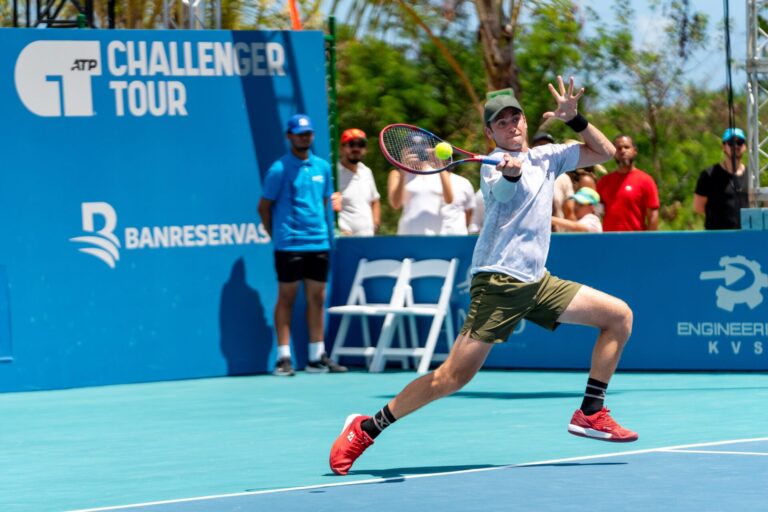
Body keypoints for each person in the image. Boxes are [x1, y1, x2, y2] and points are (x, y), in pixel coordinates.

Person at [329, 77, 638, 476]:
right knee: (450, 378)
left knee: (619, 316)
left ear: (526, 122)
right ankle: (366, 428)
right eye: (502, 122)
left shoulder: (550, 158)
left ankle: (590, 412)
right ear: (490, 132)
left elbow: (606, 152)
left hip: (537, 282)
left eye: (516, 118)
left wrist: (575, 119)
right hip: (499, 283)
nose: (512, 126)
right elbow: (506, 195)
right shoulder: (492, 170)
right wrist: (509, 174)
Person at [257, 114, 348, 377]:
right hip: (289, 245)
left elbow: (322, 203)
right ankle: (283, 357)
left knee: (318, 298)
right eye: (299, 133)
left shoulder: (323, 167)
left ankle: (316, 356)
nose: (304, 137)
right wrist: (278, 236)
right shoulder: (278, 170)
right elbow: (264, 207)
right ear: (289, 136)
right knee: (287, 298)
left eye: (308, 133)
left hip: (318, 242)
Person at [388, 137, 454, 235]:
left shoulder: (439, 172)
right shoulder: (397, 174)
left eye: (421, 149)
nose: (418, 153)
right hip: (408, 234)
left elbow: (449, 199)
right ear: (405, 151)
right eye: (414, 149)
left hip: (435, 234)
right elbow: (395, 204)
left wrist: (439, 164)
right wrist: (403, 170)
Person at [597, 135, 660, 231]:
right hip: (609, 241)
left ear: (634, 151)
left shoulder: (646, 181)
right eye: (618, 148)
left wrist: (649, 242)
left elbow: (653, 215)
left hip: (636, 242)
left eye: (626, 147)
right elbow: (597, 213)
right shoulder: (604, 181)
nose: (623, 151)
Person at [693, 128, 750, 229]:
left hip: (746, 237)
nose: (736, 146)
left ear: (744, 147)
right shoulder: (709, 175)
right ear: (723, 146)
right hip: (717, 238)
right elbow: (698, 208)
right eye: (731, 142)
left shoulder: (752, 176)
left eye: (740, 142)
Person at [336, 128, 382, 236]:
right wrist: (339, 230)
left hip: (368, 239)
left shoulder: (366, 171)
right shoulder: (334, 173)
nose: (356, 148)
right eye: (352, 144)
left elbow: (375, 200)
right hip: (345, 240)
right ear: (341, 148)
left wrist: (376, 224)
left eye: (361, 145)